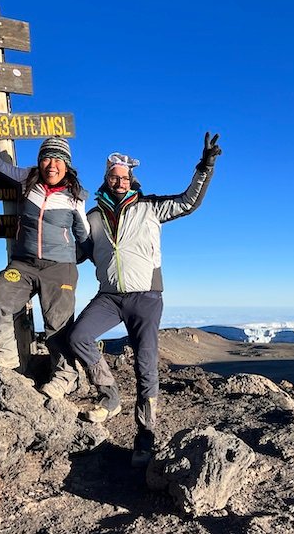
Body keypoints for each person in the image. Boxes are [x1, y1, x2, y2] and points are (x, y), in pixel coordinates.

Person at [69, 133, 221, 466]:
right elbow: (82, 254)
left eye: (125, 177)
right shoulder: (93, 216)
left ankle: (145, 434)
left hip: (146, 297)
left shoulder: (149, 207)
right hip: (109, 296)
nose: (120, 181)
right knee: (79, 337)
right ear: (106, 179)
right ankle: (109, 396)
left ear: (132, 180)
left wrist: (205, 167)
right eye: (114, 176)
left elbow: (188, 202)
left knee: (145, 365)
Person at [0, 133, 90, 398]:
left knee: (57, 322)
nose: (52, 164)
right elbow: (0, 166)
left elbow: (85, 235)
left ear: (66, 164)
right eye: (47, 158)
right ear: (40, 161)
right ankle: (7, 353)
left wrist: (77, 259)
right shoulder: (27, 179)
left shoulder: (75, 197)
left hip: (60, 267)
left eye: (58, 159)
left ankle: (65, 376)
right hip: (24, 263)